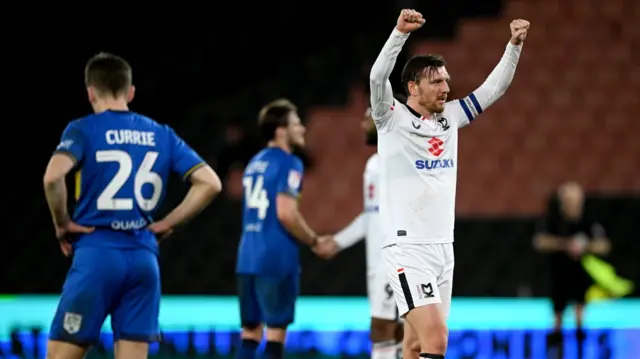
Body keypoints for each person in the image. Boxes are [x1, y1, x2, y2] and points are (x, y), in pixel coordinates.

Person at [368, 9, 529, 359]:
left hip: (444, 248)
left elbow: (494, 89)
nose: (446, 88)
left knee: (414, 344)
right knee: (437, 341)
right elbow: (378, 76)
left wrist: (513, 46)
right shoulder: (390, 118)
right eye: (437, 81)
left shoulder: (451, 118)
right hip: (408, 250)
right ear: (413, 87)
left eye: (446, 80)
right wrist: (399, 34)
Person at [43, 53, 222, 359]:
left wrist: (62, 223)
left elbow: (52, 178)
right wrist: (167, 224)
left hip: (97, 254)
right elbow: (211, 183)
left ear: (89, 92)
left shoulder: (83, 129)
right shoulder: (162, 134)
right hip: (143, 258)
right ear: (130, 92)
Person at [314, 95, 407, 359]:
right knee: (390, 327)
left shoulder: (403, 161)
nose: (362, 123)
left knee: (384, 327)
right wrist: (338, 241)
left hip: (396, 257)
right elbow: (372, 215)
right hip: (376, 260)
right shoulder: (374, 165)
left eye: (368, 116)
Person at [235, 99, 325, 359]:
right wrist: (314, 240)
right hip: (275, 258)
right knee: (275, 334)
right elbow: (286, 213)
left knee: (250, 334)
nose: (303, 129)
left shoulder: (254, 164)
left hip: (247, 257)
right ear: (281, 130)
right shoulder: (289, 163)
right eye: (296, 124)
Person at [534, 182, 611, 359]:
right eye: (569, 200)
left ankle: (580, 349)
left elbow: (604, 245)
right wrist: (565, 244)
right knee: (558, 314)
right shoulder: (552, 220)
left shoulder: (588, 220)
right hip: (558, 274)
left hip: (579, 274)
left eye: (576, 200)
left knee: (579, 315)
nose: (573, 204)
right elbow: (540, 241)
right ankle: (556, 349)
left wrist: (585, 246)